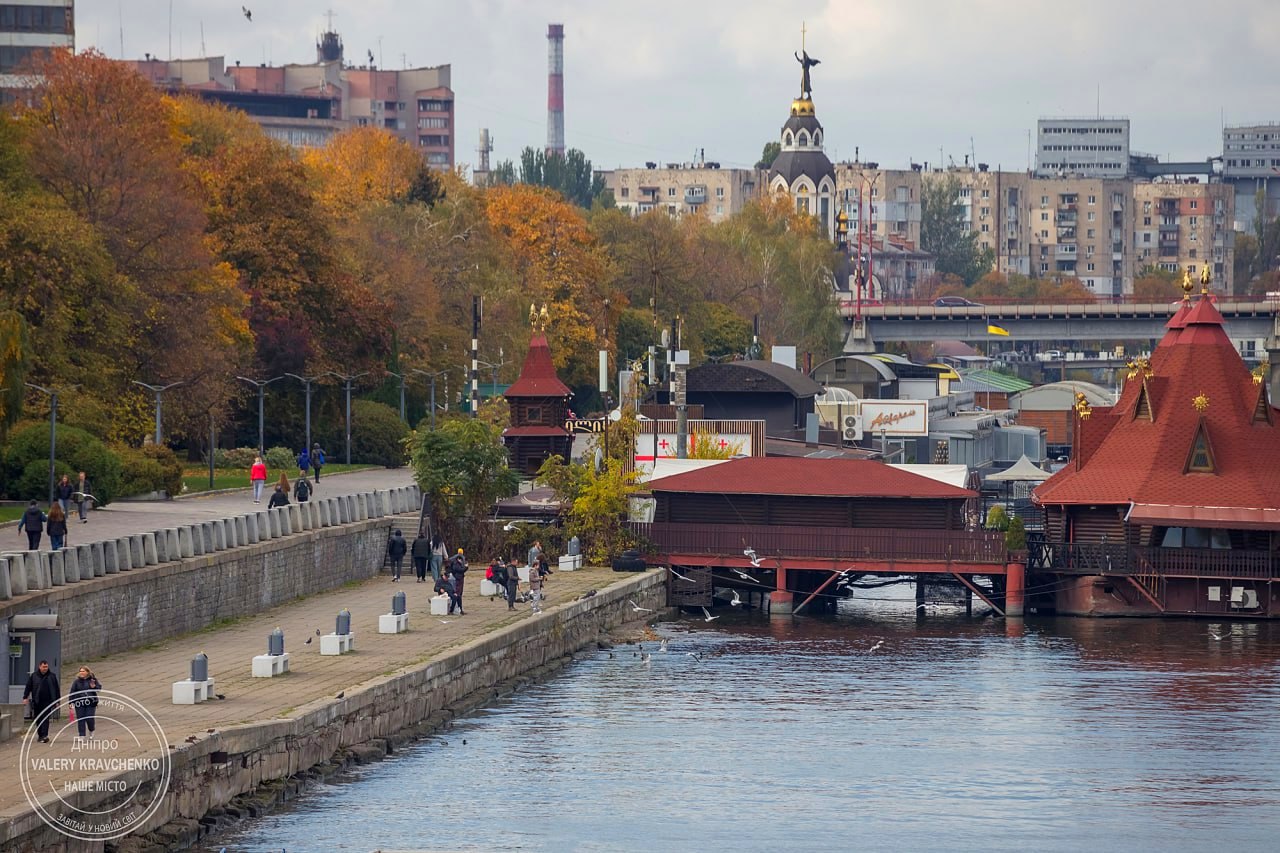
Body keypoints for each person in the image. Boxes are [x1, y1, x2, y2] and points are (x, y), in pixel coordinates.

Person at [23, 660, 60, 743]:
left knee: (45, 718)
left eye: (46, 667)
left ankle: (45, 735)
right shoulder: (34, 676)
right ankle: (40, 735)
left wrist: (57, 701)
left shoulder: (52, 676)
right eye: (43, 667)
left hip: (48, 701)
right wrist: (25, 697)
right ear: (40, 667)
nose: (45, 668)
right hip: (37, 701)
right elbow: (28, 687)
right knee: (38, 719)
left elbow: (56, 689)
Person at [69, 666, 101, 739]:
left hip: (91, 702)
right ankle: (82, 735)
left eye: (83, 671)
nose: (81, 673)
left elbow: (99, 688)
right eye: (80, 671)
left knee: (89, 717)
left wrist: (94, 687)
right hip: (79, 702)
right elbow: (72, 692)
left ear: (87, 672)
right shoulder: (76, 682)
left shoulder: (92, 680)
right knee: (81, 718)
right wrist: (71, 702)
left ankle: (91, 729)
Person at [449, 549, 468, 613]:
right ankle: (457, 608)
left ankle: (458, 608)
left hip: (458, 578)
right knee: (458, 593)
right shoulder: (459, 560)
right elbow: (460, 570)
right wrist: (466, 567)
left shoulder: (453, 558)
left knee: (458, 593)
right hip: (458, 578)